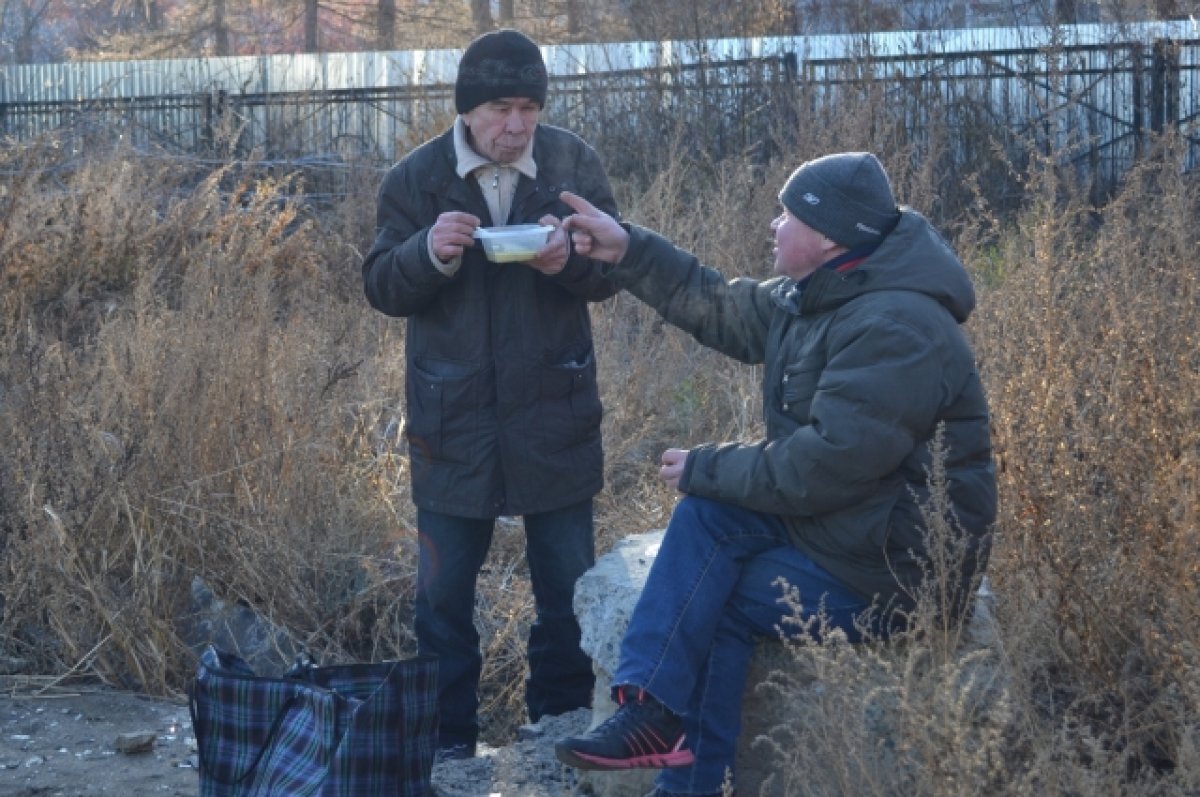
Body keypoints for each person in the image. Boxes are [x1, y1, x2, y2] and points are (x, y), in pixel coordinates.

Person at [552, 153, 997, 797]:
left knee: (713, 591)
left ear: (828, 237)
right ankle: (650, 714)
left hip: (896, 574)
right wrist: (629, 251)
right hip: (847, 533)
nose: (773, 223)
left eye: (787, 214)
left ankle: (672, 755)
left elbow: (826, 468)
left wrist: (706, 464)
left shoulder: (895, 325)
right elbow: (721, 308)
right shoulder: (826, 292)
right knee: (708, 524)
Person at [361, 28, 621, 760]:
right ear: (467, 110)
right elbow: (380, 284)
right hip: (453, 421)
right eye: (502, 109)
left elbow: (612, 270)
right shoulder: (415, 179)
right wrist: (427, 253)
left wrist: (567, 258)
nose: (516, 125)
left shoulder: (571, 163)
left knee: (568, 586)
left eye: (529, 108)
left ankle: (562, 725)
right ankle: (446, 742)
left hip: (555, 412)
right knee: (440, 600)